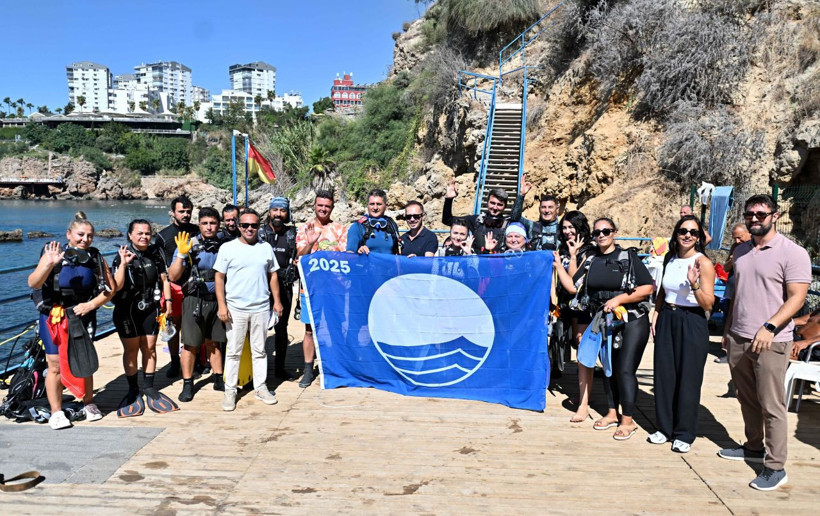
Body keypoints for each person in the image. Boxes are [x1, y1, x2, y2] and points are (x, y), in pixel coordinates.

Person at [718, 194, 811, 491]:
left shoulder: (792, 252)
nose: (754, 218)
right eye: (750, 214)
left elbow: (797, 297)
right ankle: (754, 448)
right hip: (738, 337)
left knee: (772, 404)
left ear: (775, 214)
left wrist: (769, 326)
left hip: (772, 340)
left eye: (761, 213)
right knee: (746, 399)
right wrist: (728, 328)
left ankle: (775, 466)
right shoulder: (742, 250)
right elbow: (739, 292)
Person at [554, 218, 654, 440]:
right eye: (597, 232)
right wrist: (559, 265)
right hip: (605, 321)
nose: (601, 235)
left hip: (632, 319)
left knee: (624, 369)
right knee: (608, 368)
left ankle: (628, 420)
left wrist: (618, 299)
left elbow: (647, 288)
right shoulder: (590, 260)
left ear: (614, 233)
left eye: (606, 231)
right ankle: (611, 412)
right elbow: (572, 287)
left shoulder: (628, 257)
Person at [28, 213, 114, 430]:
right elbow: (34, 282)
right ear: (69, 234)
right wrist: (49, 264)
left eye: (90, 236)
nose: (85, 239)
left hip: (83, 314)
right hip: (54, 315)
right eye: (80, 235)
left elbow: (109, 290)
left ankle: (88, 402)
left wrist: (90, 305)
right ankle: (56, 412)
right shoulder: (52, 251)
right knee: (54, 364)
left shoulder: (94, 256)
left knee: (84, 359)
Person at [649, 215, 715, 453]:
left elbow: (708, 304)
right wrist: (656, 314)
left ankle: (684, 433)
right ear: (676, 233)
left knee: (688, 378)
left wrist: (694, 284)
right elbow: (661, 291)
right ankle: (664, 428)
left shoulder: (703, 263)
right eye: (683, 231)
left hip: (692, 320)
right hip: (668, 317)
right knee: (665, 375)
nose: (688, 235)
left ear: (699, 238)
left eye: (693, 232)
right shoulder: (670, 258)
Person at [215, 208, 283, 411]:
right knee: (233, 351)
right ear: (238, 226)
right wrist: (222, 305)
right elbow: (219, 277)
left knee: (259, 350)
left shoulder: (266, 248)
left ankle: (261, 387)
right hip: (235, 309)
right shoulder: (228, 248)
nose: (249, 229)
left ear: (258, 226)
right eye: (245, 225)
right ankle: (230, 391)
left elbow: (273, 275)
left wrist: (277, 302)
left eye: (253, 225)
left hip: (261, 307)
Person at [111, 220, 178, 416]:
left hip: (151, 308)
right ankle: (133, 388)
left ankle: (148, 386)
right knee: (131, 351)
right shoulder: (121, 255)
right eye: (139, 233)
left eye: (148, 233)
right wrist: (123, 263)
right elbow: (116, 285)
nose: (144, 237)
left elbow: (165, 279)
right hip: (127, 310)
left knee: (149, 348)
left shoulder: (155, 253)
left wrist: (169, 304)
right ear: (130, 235)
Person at [168, 208, 227, 402]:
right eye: (205, 223)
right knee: (191, 344)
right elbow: (173, 276)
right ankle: (187, 383)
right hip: (194, 299)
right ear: (199, 224)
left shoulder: (225, 245)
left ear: (219, 225)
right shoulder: (188, 244)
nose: (209, 227)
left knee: (215, 341)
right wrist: (182, 255)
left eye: (213, 223)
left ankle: (218, 378)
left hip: (217, 299)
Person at [296, 190, 348, 388]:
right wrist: (309, 244)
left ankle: (336, 366)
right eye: (320, 205)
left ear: (332, 207)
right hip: (311, 288)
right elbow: (300, 256)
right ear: (314, 206)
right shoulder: (305, 228)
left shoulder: (341, 229)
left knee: (336, 328)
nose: (323, 209)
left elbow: (345, 257)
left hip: (335, 288)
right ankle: (309, 370)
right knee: (309, 330)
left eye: (327, 206)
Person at [552, 210, 595, 422]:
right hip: (565, 306)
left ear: (580, 227)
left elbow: (574, 282)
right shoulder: (562, 247)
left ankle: (583, 402)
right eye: (565, 227)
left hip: (583, 307)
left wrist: (573, 256)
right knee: (572, 348)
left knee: (583, 355)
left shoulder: (589, 249)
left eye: (572, 227)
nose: (568, 231)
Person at [155, 195, 199, 378]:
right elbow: (160, 267)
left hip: (194, 285)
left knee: (193, 326)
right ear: (173, 213)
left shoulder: (197, 231)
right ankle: (174, 362)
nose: (185, 215)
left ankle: (194, 361)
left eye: (188, 211)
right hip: (172, 287)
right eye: (181, 211)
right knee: (173, 327)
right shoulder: (162, 236)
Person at [258, 197, 299, 380]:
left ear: (287, 213)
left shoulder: (292, 234)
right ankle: (257, 371)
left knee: (281, 329)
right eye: (275, 210)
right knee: (258, 329)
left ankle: (280, 369)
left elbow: (302, 255)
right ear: (269, 211)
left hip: (284, 287)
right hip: (260, 287)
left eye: (282, 211)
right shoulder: (258, 233)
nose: (278, 214)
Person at [442, 178, 510, 253]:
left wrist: (521, 195)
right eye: (492, 203)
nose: (495, 207)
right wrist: (449, 199)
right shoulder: (477, 220)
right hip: (477, 262)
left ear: (505, 206)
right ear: (487, 202)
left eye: (499, 205)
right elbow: (447, 220)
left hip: (499, 263)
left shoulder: (508, 224)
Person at [510, 173, 560, 251]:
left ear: (557, 210)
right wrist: (521, 195)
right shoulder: (532, 226)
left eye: (550, 207)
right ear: (539, 209)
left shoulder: (563, 228)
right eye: (543, 207)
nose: (547, 210)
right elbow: (514, 217)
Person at [346, 189, 400, 255]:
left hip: (389, 265)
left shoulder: (392, 225)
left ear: (385, 206)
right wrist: (359, 251)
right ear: (367, 205)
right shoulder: (357, 227)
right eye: (372, 204)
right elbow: (349, 255)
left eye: (379, 204)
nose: (375, 207)